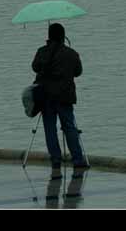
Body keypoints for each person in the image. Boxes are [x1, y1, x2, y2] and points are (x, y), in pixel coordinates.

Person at [32, 22, 88, 179]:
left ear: (49, 36)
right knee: (69, 127)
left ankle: (55, 159)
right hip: (65, 97)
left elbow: (34, 67)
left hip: (46, 97)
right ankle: (77, 159)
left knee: (50, 129)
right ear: (63, 36)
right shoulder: (71, 53)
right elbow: (78, 72)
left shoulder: (42, 52)